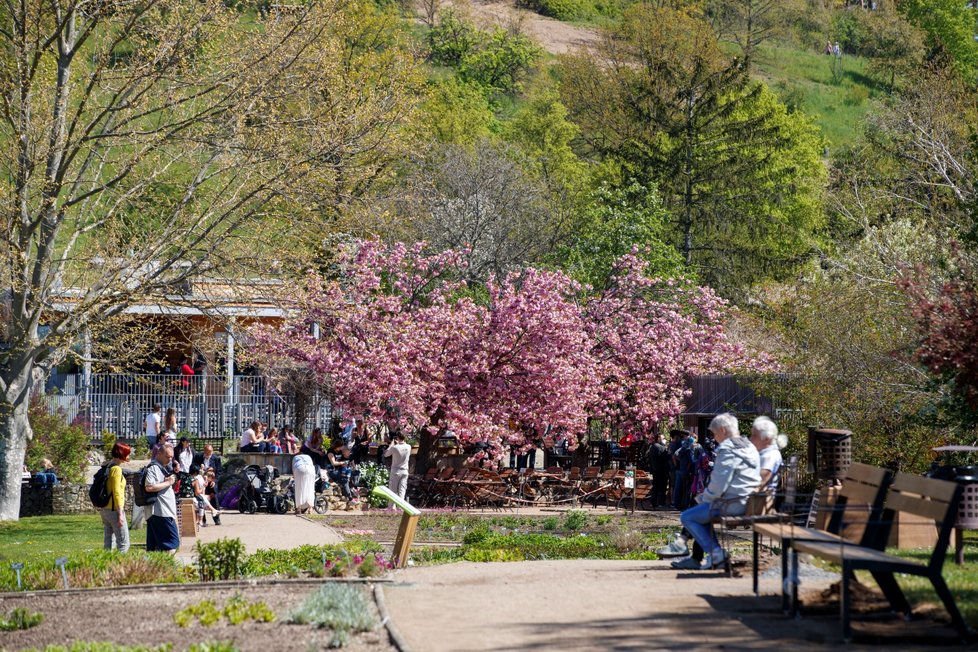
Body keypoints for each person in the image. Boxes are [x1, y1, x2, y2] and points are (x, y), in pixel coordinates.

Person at [673, 413, 760, 570]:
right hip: (747, 500)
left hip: (732, 504)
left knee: (687, 516)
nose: (714, 438)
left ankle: (716, 554)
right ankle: (709, 555)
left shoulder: (728, 449)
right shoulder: (749, 446)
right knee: (701, 514)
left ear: (722, 430)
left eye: (714, 433)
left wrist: (704, 498)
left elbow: (719, 483)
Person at [144, 444, 180, 553]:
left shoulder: (162, 468)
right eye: (167, 456)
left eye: (171, 457)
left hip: (162, 512)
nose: (169, 460)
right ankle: (164, 567)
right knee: (172, 544)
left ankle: (154, 569)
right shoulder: (154, 468)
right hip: (160, 512)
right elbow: (149, 487)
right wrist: (168, 482)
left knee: (155, 547)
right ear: (159, 454)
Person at [101, 443, 131, 552]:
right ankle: (120, 567)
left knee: (109, 542)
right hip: (114, 510)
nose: (129, 456)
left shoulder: (107, 466)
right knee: (123, 543)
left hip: (105, 509)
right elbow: (116, 492)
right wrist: (120, 514)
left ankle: (106, 565)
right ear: (122, 454)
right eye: (127, 454)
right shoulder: (117, 470)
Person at [750, 416, 783, 493]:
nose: (750, 439)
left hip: (758, 499)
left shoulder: (770, 456)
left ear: (766, 439)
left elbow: (759, 483)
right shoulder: (765, 453)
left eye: (754, 436)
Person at [326, 437, 358, 502]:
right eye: (341, 446)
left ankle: (354, 489)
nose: (342, 447)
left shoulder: (340, 451)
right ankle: (350, 498)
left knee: (355, 473)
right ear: (337, 446)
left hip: (340, 469)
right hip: (332, 470)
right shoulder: (330, 451)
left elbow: (346, 457)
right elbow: (333, 463)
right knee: (344, 480)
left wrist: (350, 462)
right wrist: (342, 463)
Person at [384, 431, 411, 500]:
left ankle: (392, 507)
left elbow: (386, 454)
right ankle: (400, 507)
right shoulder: (408, 447)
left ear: (397, 438)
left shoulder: (395, 447)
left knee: (393, 490)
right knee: (402, 490)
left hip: (396, 471)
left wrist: (392, 444)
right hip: (405, 471)